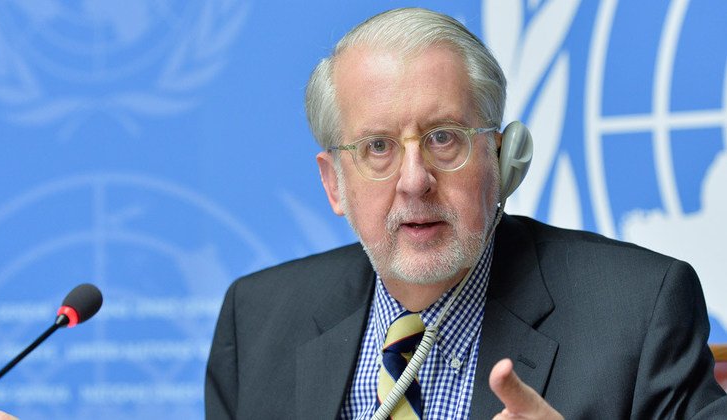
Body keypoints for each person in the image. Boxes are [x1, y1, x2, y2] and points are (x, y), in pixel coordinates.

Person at [205, 7, 727, 419]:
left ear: (501, 160)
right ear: (334, 183)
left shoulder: (639, 311)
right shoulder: (255, 321)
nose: (414, 181)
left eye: (443, 138)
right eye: (378, 147)